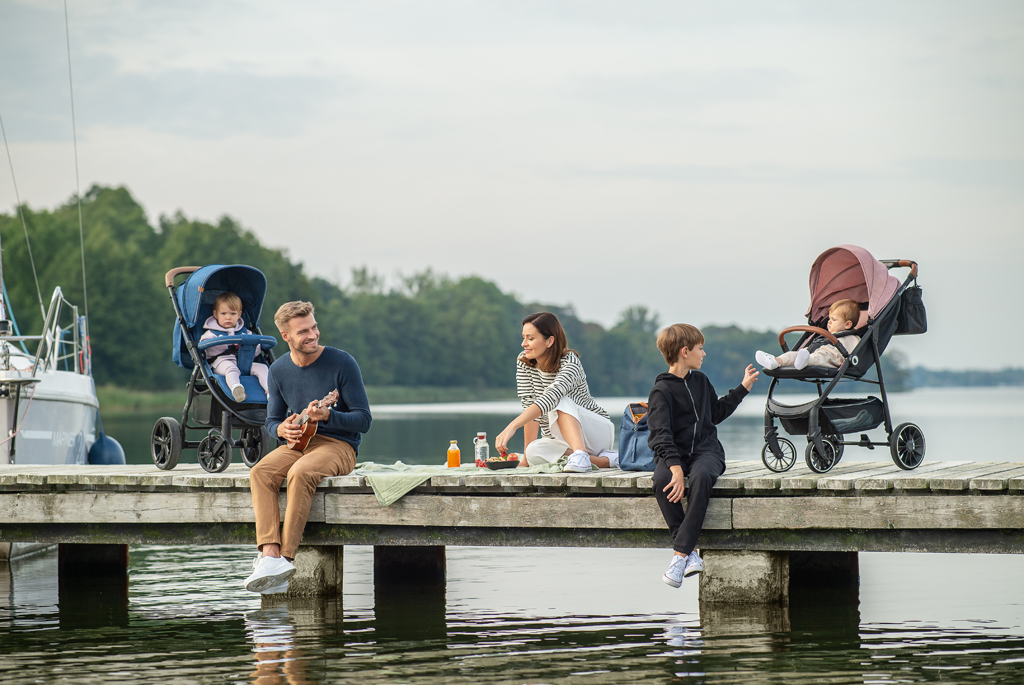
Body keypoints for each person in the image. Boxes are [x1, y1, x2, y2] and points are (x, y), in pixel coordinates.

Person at [243, 301, 372, 594]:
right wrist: (281, 429)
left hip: (339, 446)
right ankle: (270, 555)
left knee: (300, 473)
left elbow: (364, 421)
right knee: (261, 471)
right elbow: (272, 420)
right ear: (285, 336)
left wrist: (330, 414)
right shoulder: (278, 370)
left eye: (314, 327)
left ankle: (286, 558)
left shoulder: (342, 362)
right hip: (300, 441)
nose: (312, 335)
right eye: (303, 331)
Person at [649, 323, 758, 588]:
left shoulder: (701, 381)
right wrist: (674, 468)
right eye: (700, 348)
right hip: (675, 454)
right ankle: (691, 552)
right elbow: (659, 435)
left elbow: (716, 413)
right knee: (660, 479)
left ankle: (680, 555)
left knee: (700, 476)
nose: (704, 353)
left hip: (706, 452)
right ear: (685, 352)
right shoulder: (661, 391)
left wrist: (741, 389)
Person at [494, 311, 616, 473]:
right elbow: (530, 406)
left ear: (550, 340)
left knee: (559, 400)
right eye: (523, 337)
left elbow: (551, 397)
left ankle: (580, 453)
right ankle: (606, 461)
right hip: (560, 440)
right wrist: (525, 459)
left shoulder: (570, 362)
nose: (524, 343)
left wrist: (512, 426)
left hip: (595, 431)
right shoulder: (524, 362)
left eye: (530, 338)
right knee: (533, 452)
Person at [199, 291, 270, 402]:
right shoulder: (211, 333)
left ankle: (270, 392)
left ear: (239, 315)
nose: (228, 317)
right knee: (231, 368)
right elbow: (208, 351)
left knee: (263, 368)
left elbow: (255, 352)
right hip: (221, 363)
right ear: (215, 314)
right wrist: (226, 343)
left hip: (244, 363)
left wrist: (246, 346)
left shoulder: (245, 332)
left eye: (232, 314)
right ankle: (236, 387)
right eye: (223, 314)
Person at [755, 299, 862, 370]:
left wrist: (847, 363)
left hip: (832, 358)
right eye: (829, 318)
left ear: (848, 324)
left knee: (819, 357)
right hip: (812, 352)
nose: (829, 322)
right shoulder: (826, 336)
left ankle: (805, 360)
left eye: (834, 320)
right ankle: (775, 361)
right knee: (793, 354)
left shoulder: (852, 337)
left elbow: (854, 353)